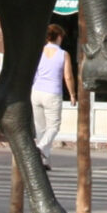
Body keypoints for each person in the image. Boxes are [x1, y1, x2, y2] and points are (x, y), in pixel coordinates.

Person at [31, 25, 76, 161]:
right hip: (52, 93)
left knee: (41, 128)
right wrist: (72, 94)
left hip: (36, 91)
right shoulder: (63, 54)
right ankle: (40, 147)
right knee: (54, 127)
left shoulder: (39, 51)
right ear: (59, 37)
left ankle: (44, 161)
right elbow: (67, 76)